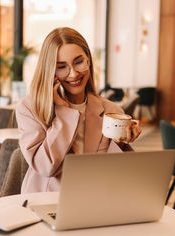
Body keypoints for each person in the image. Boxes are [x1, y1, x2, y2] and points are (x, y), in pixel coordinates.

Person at [16, 27, 141, 194]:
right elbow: (46, 167)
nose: (73, 74)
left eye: (78, 62)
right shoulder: (29, 109)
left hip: (93, 200)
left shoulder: (110, 111)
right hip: (46, 202)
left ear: (88, 61)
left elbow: (108, 173)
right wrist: (63, 113)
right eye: (62, 67)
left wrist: (120, 141)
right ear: (50, 71)